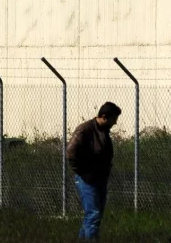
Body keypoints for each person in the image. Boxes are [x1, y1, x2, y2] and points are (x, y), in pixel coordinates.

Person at [67, 101, 122, 241]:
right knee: (93, 214)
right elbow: (71, 152)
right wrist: (83, 172)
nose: (115, 122)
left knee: (94, 215)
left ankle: (83, 240)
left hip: (99, 178)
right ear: (104, 117)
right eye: (113, 119)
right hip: (87, 179)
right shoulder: (85, 129)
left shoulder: (103, 130)